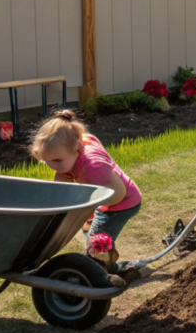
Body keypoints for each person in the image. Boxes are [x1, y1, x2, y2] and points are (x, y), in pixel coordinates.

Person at [31, 110, 142, 271]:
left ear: (77, 146)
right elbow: (64, 176)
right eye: (46, 161)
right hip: (104, 200)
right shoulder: (75, 146)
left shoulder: (94, 167)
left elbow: (119, 194)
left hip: (121, 204)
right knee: (93, 234)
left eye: (57, 160)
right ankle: (104, 264)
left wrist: (88, 203)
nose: (53, 167)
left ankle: (104, 271)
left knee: (97, 240)